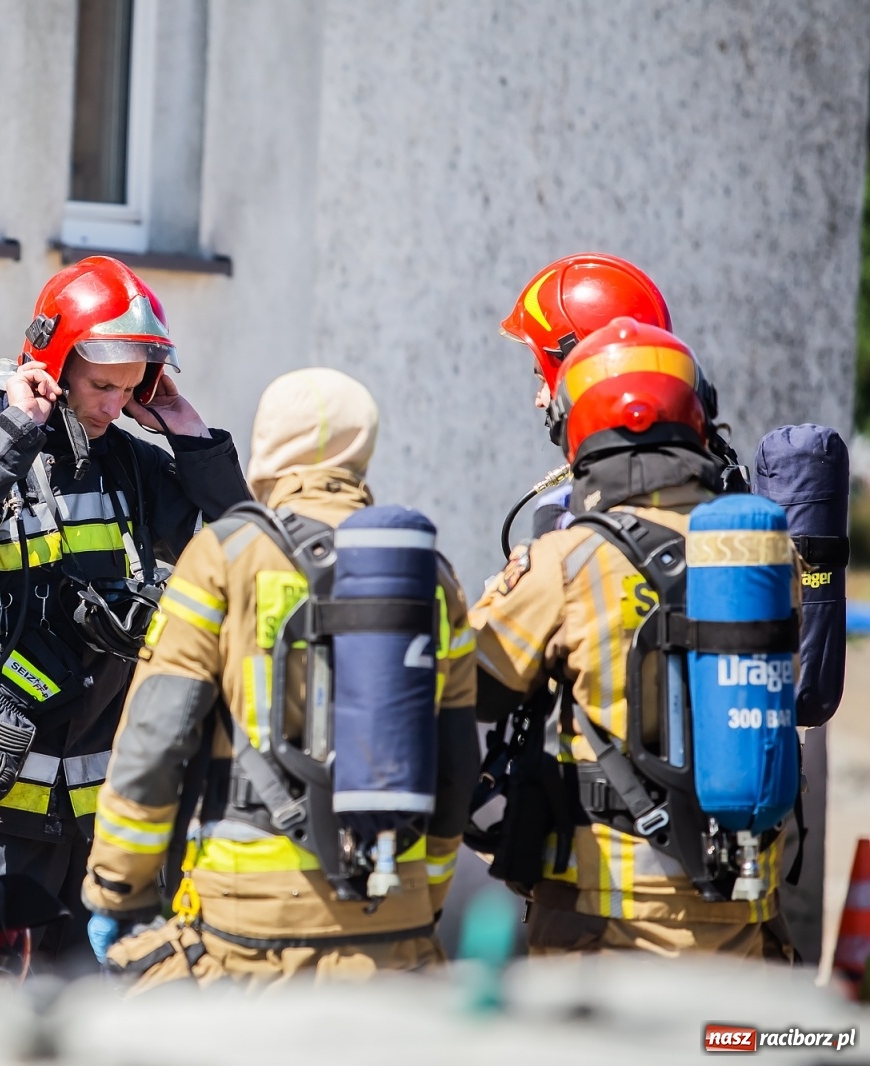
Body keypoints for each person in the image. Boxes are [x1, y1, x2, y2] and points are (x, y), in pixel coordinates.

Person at [80, 367, 480, 990]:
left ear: (267, 446)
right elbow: (457, 759)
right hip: (394, 925)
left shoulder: (225, 553)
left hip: (248, 931)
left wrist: (116, 887)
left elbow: (157, 735)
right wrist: (421, 896)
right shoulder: (428, 573)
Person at [0, 256, 250, 970]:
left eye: (132, 389)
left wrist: (189, 433)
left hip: (94, 825)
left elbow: (247, 548)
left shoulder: (131, 463)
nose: (115, 406)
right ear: (52, 365)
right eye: (101, 385)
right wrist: (15, 429)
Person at [471, 317, 794, 959]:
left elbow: (476, 686)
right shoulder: (760, 556)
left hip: (607, 932)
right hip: (742, 924)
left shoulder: (567, 559)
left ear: (578, 431)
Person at [498, 253, 744, 542]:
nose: (539, 401)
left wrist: (552, 552)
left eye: (543, 379)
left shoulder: (571, 533)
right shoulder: (713, 491)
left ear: (582, 370)